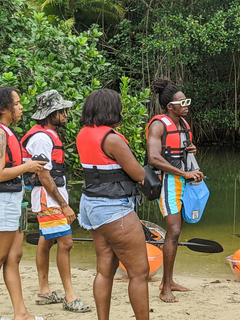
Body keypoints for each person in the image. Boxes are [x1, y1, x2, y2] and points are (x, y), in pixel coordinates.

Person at [0, 87, 47, 320]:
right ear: (4, 108)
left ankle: (21, 313)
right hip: (0, 201)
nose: (21, 107)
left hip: (11, 200)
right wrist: (28, 166)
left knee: (14, 256)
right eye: (16, 103)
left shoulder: (3, 131)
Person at [76, 88, 149, 320]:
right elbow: (138, 173)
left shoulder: (83, 134)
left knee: (104, 269)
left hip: (91, 207)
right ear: (111, 110)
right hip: (113, 209)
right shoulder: (112, 139)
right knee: (139, 272)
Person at [20, 90, 91, 313]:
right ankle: (70, 297)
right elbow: (43, 175)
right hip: (47, 198)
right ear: (51, 113)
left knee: (46, 241)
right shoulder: (41, 138)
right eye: (62, 110)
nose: (66, 113)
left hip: (47, 196)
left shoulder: (46, 134)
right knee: (66, 243)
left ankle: (44, 291)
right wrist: (64, 204)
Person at [146, 78, 204, 303]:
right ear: (170, 106)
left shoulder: (183, 125)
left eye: (187, 100)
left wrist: (192, 150)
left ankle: (168, 282)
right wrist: (183, 174)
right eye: (182, 101)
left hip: (182, 182)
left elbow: (180, 153)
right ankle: (164, 288)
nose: (187, 104)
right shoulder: (158, 124)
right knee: (173, 232)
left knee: (176, 232)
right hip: (169, 182)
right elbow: (153, 158)